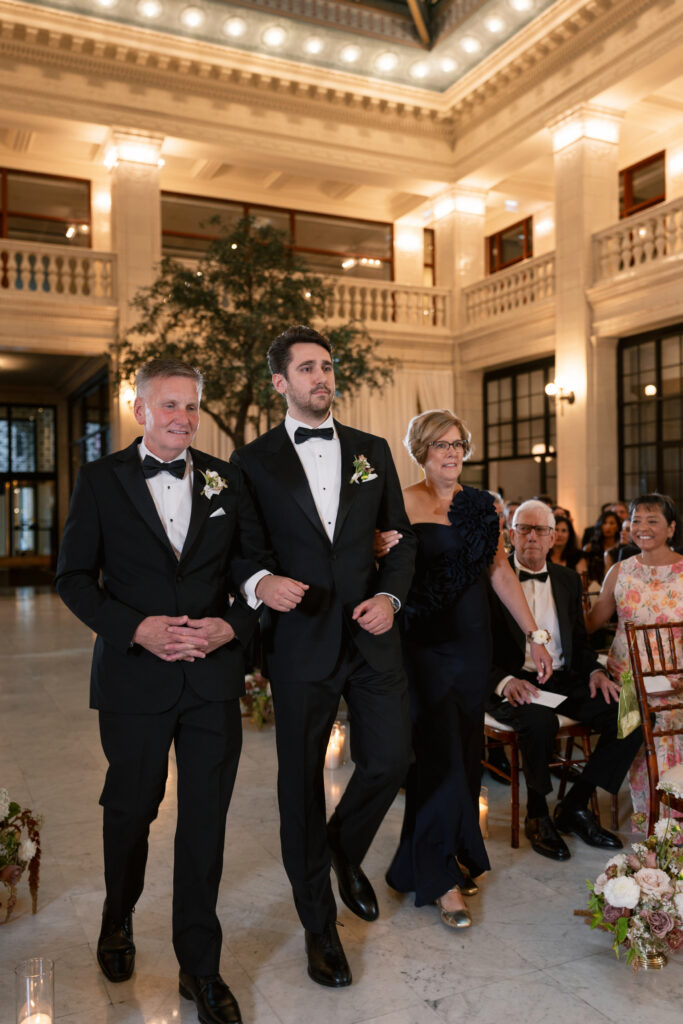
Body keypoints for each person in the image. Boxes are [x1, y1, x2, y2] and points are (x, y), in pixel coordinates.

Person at [55, 358, 276, 1024]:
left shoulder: (226, 479)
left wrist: (229, 627)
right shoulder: (101, 480)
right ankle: (116, 918)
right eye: (170, 405)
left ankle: (199, 967)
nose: (183, 418)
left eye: (191, 407)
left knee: (204, 822)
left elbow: (252, 574)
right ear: (140, 409)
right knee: (130, 809)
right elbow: (72, 577)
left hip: (210, 681)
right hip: (133, 679)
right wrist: (136, 629)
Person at [231, 325, 417, 989]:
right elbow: (241, 550)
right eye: (306, 369)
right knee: (299, 787)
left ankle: (341, 848)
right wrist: (259, 584)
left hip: (370, 634)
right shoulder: (251, 462)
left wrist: (391, 599)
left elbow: (399, 543)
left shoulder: (370, 451)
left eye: (326, 367)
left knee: (392, 757)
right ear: (279, 382)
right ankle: (318, 928)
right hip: (300, 639)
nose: (321, 378)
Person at [377, 411, 552, 928]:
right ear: (420, 451)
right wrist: (371, 547)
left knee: (465, 754)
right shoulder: (400, 501)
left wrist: (534, 634)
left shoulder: (482, 505)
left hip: (473, 645)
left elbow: (499, 569)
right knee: (439, 758)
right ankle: (440, 879)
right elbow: (380, 569)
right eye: (439, 446)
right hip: (424, 647)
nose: (451, 454)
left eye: (457, 444)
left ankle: (432, 858)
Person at [486, 500, 644, 859]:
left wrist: (595, 671)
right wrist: (504, 682)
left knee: (628, 714)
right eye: (523, 528)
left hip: (563, 678)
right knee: (539, 720)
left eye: (540, 529)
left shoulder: (568, 580)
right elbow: (475, 649)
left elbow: (580, 642)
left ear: (554, 536)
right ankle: (538, 813)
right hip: (513, 681)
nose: (531, 537)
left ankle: (573, 805)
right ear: (510, 535)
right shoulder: (491, 580)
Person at [587, 493, 683, 829]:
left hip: (677, 682)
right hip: (626, 683)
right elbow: (592, 622)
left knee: (672, 736)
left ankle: (675, 822)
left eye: (652, 520)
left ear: (671, 528)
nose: (641, 527)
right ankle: (653, 823)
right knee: (638, 739)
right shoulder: (620, 571)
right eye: (636, 520)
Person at [584, 509, 622, 583]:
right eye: (604, 523)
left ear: (617, 527)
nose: (608, 527)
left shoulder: (621, 549)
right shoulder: (590, 548)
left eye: (612, 523)